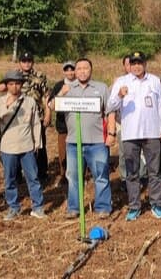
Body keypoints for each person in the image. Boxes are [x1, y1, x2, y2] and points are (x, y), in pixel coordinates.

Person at [107, 51, 161, 221]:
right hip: (130, 134)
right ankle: (134, 206)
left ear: (145, 64)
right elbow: (110, 105)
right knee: (132, 172)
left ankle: (156, 203)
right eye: (133, 63)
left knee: (154, 171)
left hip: (152, 132)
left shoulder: (154, 81)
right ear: (129, 65)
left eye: (139, 63)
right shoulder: (122, 82)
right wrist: (120, 95)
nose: (136, 66)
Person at [54, 58, 114, 219]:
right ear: (75, 71)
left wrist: (111, 133)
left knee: (100, 175)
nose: (82, 71)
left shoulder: (101, 88)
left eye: (85, 68)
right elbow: (53, 106)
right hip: (73, 142)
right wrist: (61, 93)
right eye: (78, 68)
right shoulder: (67, 88)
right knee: (73, 176)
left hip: (97, 142)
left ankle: (103, 206)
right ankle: (74, 207)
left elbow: (110, 111)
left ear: (91, 70)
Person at [0, 70, 45, 221]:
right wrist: (6, 106)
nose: (14, 87)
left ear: (22, 85)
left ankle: (38, 207)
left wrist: (37, 143)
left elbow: (35, 123)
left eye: (17, 84)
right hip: (8, 147)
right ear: (6, 86)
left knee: (33, 178)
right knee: (10, 179)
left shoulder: (29, 101)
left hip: (26, 146)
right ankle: (14, 207)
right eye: (11, 84)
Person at [16, 52, 51, 183]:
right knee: (18, 145)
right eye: (24, 61)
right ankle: (18, 175)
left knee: (40, 145)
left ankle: (42, 174)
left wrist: (48, 112)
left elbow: (46, 95)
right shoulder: (14, 76)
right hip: (18, 118)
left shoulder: (40, 76)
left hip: (37, 117)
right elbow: (3, 88)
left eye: (29, 61)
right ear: (20, 62)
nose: (26, 63)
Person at [115, 55, 147, 193]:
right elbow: (112, 105)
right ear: (125, 66)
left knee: (142, 153)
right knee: (124, 153)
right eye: (128, 64)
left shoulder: (148, 81)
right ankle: (124, 177)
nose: (132, 67)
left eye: (135, 64)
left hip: (142, 124)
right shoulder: (119, 82)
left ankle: (142, 175)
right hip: (122, 123)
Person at [47, 61, 76, 186]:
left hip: (78, 126)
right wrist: (61, 93)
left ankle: (81, 175)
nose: (70, 72)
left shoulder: (80, 84)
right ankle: (63, 175)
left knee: (80, 152)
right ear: (64, 71)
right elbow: (50, 104)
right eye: (67, 70)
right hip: (63, 125)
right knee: (63, 153)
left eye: (72, 69)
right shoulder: (59, 85)